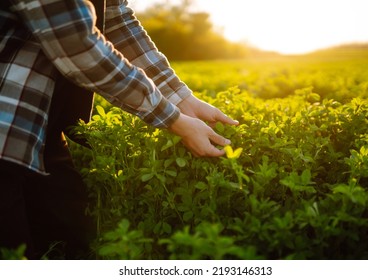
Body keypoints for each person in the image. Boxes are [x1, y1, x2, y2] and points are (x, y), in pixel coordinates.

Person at [0, 0, 238, 259]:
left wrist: (182, 99)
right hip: (6, 123)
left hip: (38, 128)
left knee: (73, 240)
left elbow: (114, 20)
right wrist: (173, 119)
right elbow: (77, 44)